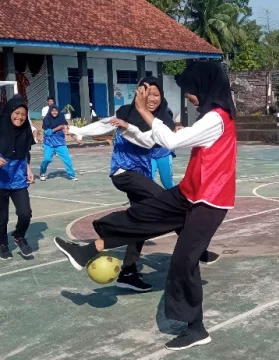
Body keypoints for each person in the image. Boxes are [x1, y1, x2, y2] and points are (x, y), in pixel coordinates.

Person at [54, 61, 237, 351]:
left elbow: (174, 140)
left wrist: (142, 112)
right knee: (143, 214)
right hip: (188, 193)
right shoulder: (210, 117)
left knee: (183, 261)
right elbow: (156, 137)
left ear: (203, 87)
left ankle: (196, 327)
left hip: (209, 202)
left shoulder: (217, 118)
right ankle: (87, 249)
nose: (187, 97)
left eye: (188, 91)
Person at [68, 77, 219, 292]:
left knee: (143, 220)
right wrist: (79, 131)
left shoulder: (163, 119)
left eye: (156, 94)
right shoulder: (126, 111)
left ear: (162, 97)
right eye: (147, 94)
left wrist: (128, 127)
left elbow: (147, 141)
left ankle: (128, 271)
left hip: (142, 175)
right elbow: (103, 124)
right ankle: (196, 250)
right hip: (124, 172)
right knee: (168, 204)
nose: (152, 99)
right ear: (139, 95)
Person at [0, 97, 36, 260]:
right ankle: (2, 244)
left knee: (25, 213)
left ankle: (19, 235)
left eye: (23, 114)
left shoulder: (25, 130)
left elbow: (25, 152)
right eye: (16, 113)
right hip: (1, 179)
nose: (20, 117)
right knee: (1, 218)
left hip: (18, 178)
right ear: (9, 113)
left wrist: (28, 169)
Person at [40, 105, 77, 181]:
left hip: (60, 142)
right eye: (52, 111)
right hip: (49, 142)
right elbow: (47, 132)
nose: (54, 112)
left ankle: (71, 175)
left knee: (67, 159)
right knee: (47, 159)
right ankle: (42, 172)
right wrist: (58, 128)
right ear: (50, 111)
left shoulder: (61, 118)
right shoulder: (46, 119)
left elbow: (66, 129)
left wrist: (75, 137)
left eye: (56, 110)